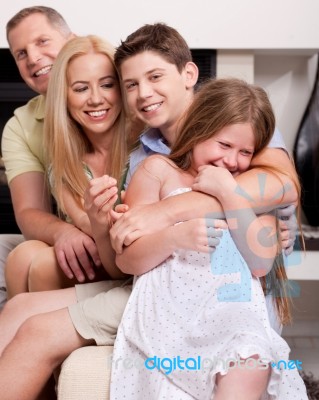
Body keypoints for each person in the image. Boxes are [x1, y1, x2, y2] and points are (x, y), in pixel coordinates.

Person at [0, 23, 298, 399]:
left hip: (219, 299)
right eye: (130, 85)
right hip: (155, 282)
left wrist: (170, 213)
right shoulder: (145, 152)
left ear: (190, 74)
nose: (143, 94)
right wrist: (102, 222)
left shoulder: (234, 121)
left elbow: (283, 184)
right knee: (21, 308)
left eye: (155, 77)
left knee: (38, 330)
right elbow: (124, 259)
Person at [110, 77, 307, 399]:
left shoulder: (251, 191)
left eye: (246, 151)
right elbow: (127, 259)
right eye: (224, 145)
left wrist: (229, 193)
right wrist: (174, 237)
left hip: (231, 311)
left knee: (250, 358)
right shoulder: (158, 171)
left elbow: (259, 264)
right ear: (198, 130)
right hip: (169, 311)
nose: (232, 161)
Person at [4, 34, 130, 297]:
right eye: (81, 88)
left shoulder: (142, 149)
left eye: (107, 85)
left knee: (44, 266)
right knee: (20, 258)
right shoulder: (65, 162)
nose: (96, 99)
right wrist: (78, 229)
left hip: (127, 260)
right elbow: (85, 224)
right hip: (96, 252)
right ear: (65, 96)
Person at [1, 6, 93, 310]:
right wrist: (65, 232)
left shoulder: (109, 101)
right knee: (20, 256)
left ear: (72, 42)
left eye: (42, 42)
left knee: (37, 262)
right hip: (68, 232)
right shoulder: (21, 126)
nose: (33, 58)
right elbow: (29, 211)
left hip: (114, 233)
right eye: (21, 53)